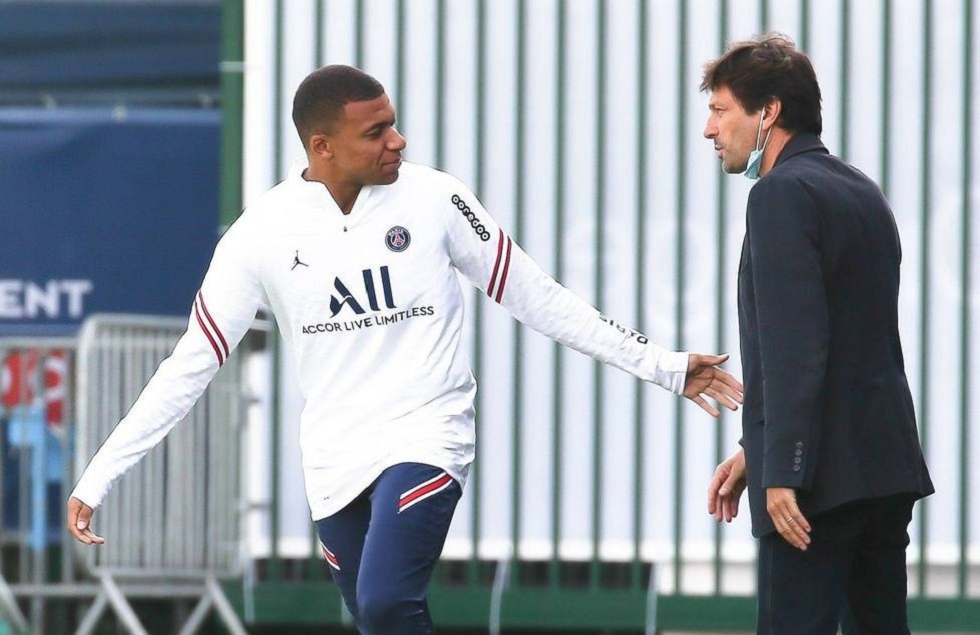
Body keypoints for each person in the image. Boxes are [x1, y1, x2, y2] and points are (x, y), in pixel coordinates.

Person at [67, 64, 743, 634]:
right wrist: (98, 477)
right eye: (376, 132)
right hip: (333, 461)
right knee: (375, 617)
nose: (398, 140)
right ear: (322, 146)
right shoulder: (259, 234)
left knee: (389, 600)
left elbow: (538, 297)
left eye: (393, 123)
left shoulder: (437, 199)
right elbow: (190, 365)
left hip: (427, 434)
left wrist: (664, 366)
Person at [700, 34, 934, 635]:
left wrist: (783, 469)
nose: (709, 129)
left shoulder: (778, 195)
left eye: (721, 109)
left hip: (816, 490)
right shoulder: (861, 190)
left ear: (768, 112)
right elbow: (852, 343)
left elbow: (797, 348)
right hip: (883, 473)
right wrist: (756, 451)